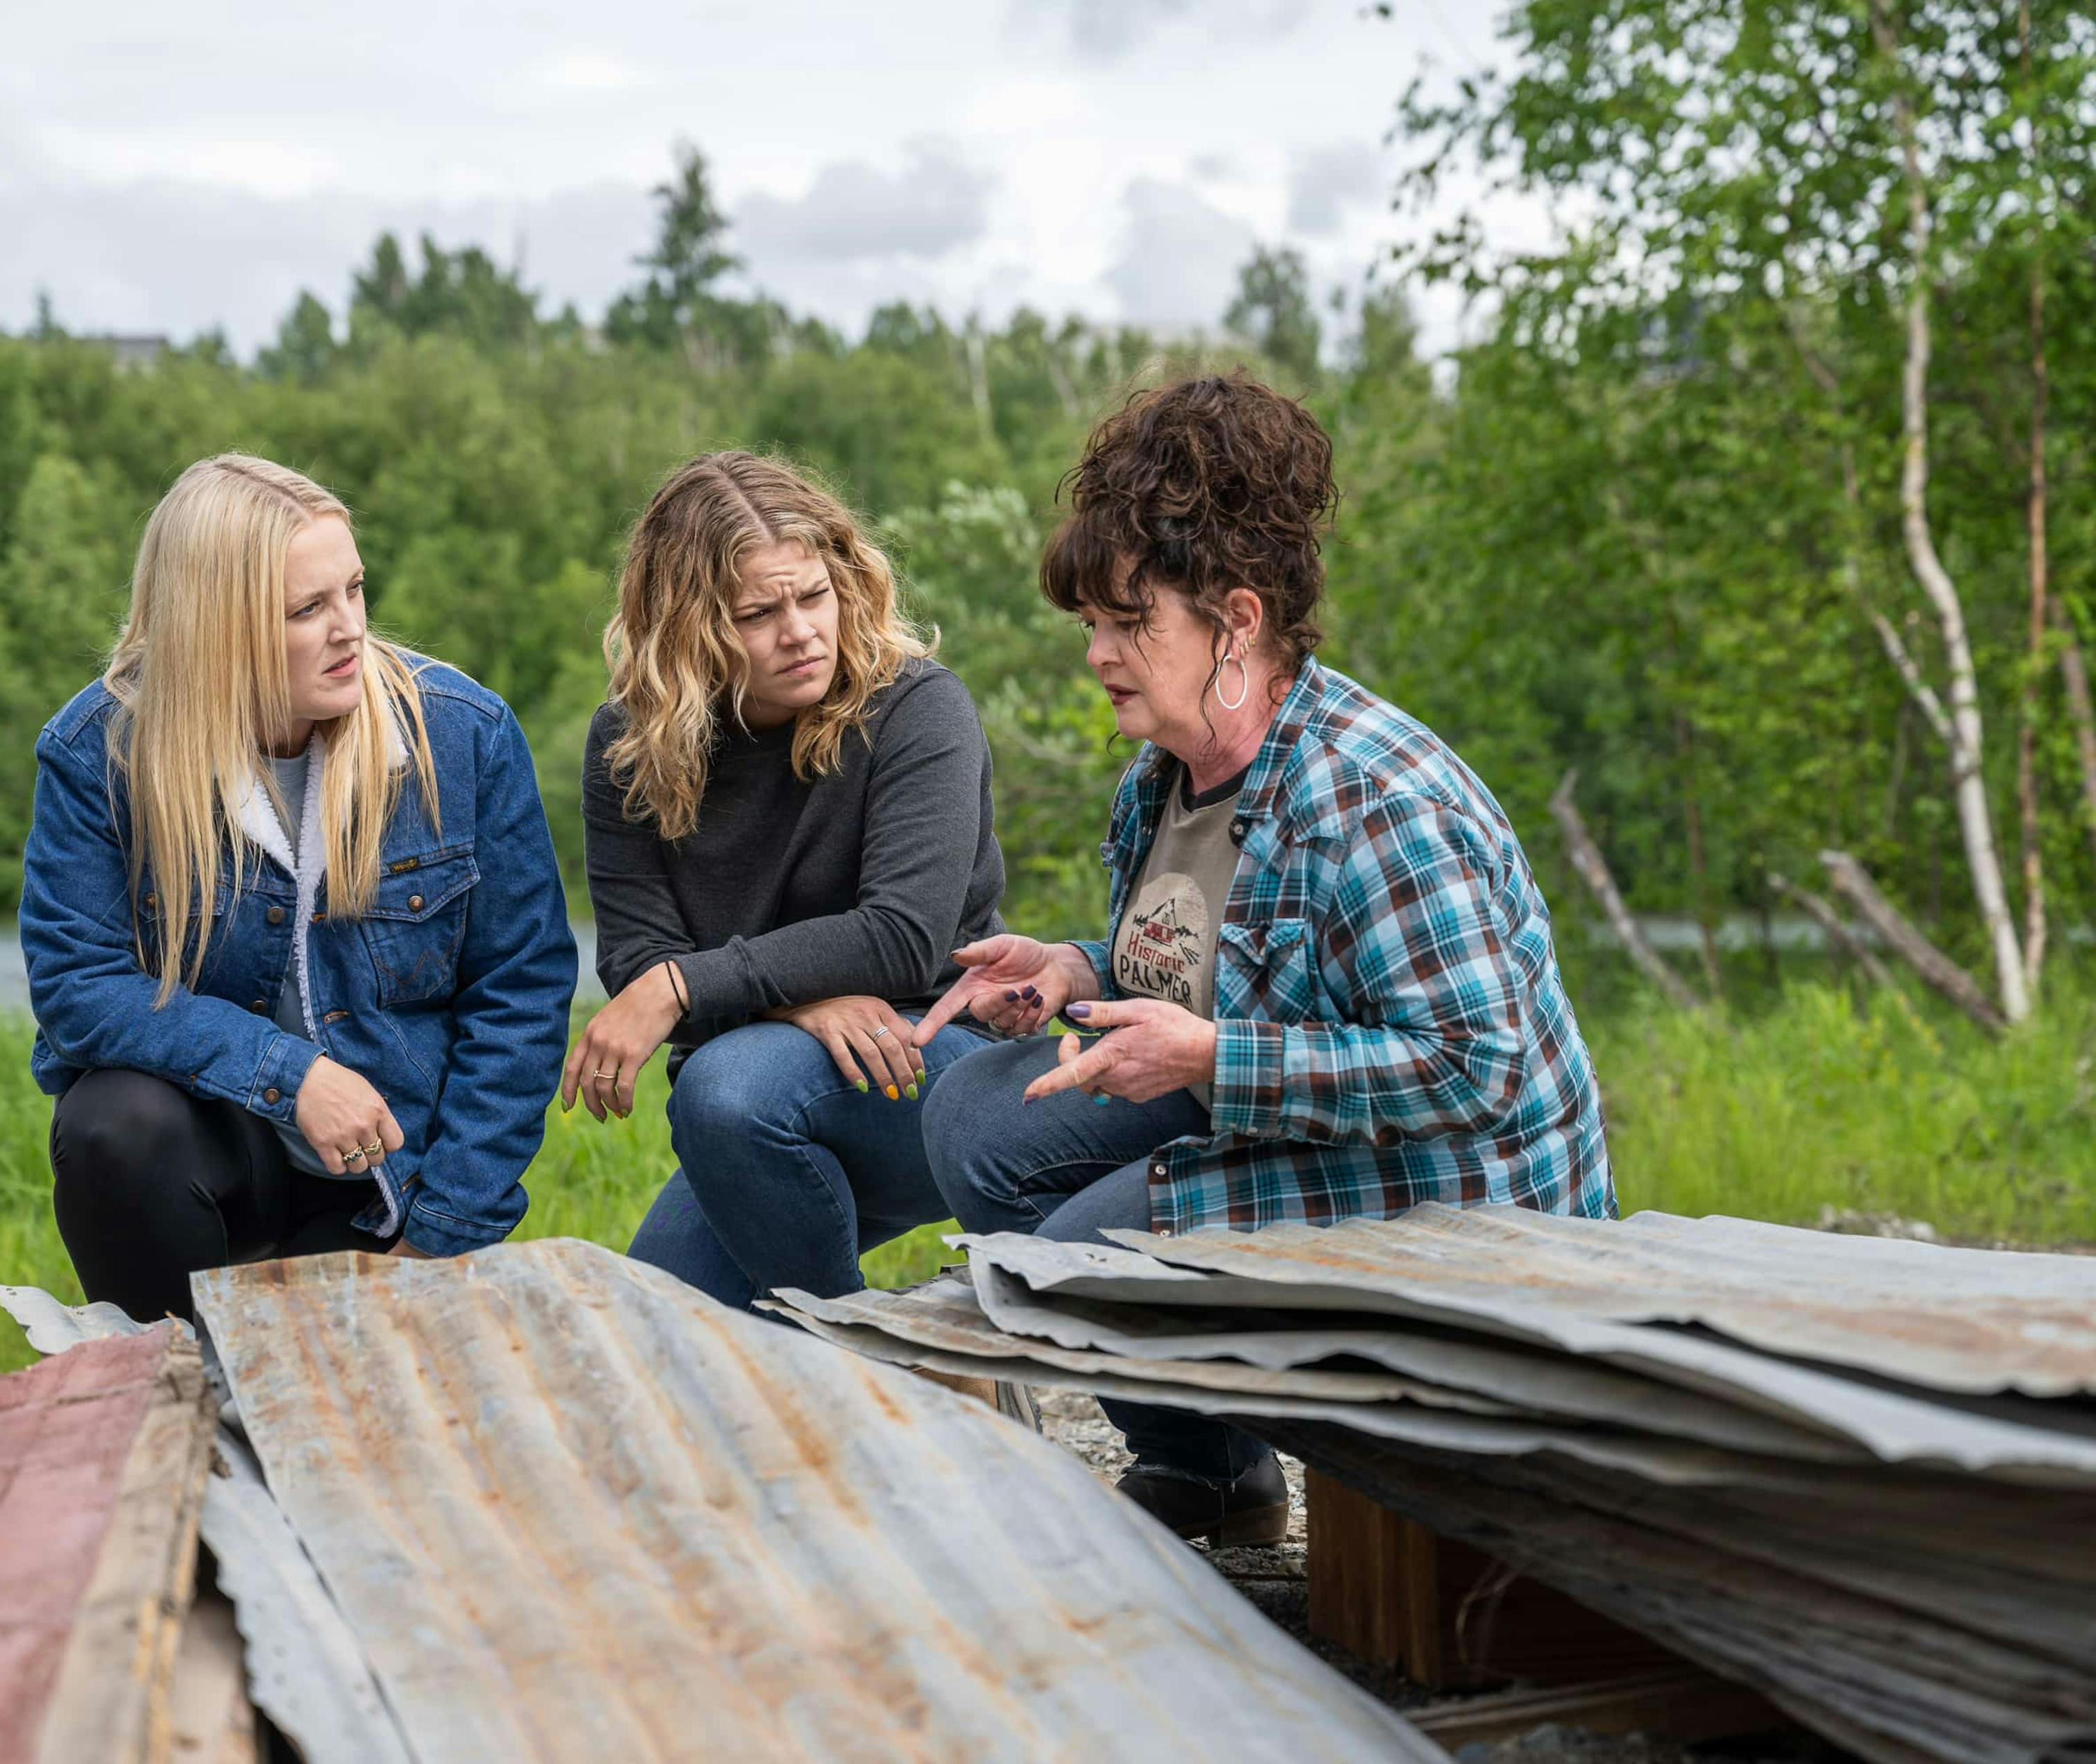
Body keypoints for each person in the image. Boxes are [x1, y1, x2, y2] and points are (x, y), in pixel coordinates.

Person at [916, 374, 1612, 1545]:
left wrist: (1208, 1055)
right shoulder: (1169, 773)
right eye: (1091, 623)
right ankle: (1217, 1474)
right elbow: (1215, 971)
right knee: (974, 1121)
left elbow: (1473, 1068)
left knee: (1073, 1254)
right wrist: (1081, 971)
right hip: (1309, 1115)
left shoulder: (1370, 798)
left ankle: (1379, 1474)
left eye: (1130, 624)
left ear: (1236, 622)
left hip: (1469, 1188)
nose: (1097, 654)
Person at [20, 453, 574, 1322]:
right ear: (218, 626)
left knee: (358, 1424)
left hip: (389, 1180)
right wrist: (289, 1073)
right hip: (217, 1156)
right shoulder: (101, 749)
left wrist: (439, 1235)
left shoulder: (463, 738)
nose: (350, 627)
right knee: (109, 1124)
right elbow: (76, 986)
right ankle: (172, 1383)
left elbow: (523, 993)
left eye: (354, 590)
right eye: (308, 609)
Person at [565, 451, 1008, 1309]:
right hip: (766, 1085)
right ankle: (860, 1376)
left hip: (934, 1059)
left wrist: (691, 985)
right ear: (687, 627)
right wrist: (794, 1005)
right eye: (756, 614)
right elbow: (637, 957)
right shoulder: (629, 746)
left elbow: (902, 936)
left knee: (722, 1088)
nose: (800, 630)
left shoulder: (917, 707)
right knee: (661, 1329)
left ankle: (842, 1366)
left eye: (812, 595)